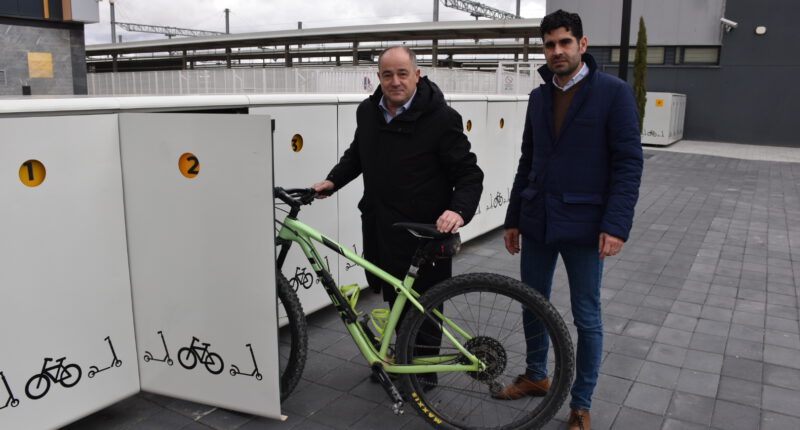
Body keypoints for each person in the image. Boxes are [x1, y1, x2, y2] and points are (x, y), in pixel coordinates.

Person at [495, 9, 643, 430]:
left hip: (586, 226)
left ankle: (581, 403)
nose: (556, 51)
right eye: (549, 44)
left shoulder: (613, 93)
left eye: (564, 42)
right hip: (538, 220)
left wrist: (615, 226)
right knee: (532, 304)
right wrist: (514, 218)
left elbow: (629, 164)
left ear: (582, 44)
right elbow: (529, 158)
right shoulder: (539, 96)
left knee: (586, 316)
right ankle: (537, 376)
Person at [312, 46, 483, 373]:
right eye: (387, 74)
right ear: (378, 77)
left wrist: (459, 210)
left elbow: (468, 173)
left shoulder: (442, 119)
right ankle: (400, 356)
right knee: (394, 296)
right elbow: (357, 154)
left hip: (425, 231)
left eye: (402, 73)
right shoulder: (367, 112)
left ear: (417, 75)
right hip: (382, 225)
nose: (395, 81)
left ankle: (424, 372)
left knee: (426, 304)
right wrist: (333, 181)